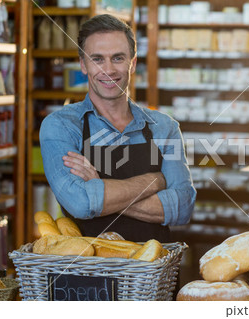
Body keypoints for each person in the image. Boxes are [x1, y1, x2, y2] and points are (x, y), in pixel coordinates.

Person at [39, 14, 196, 242]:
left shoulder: (164, 127)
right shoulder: (61, 126)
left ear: (132, 64)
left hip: (154, 270)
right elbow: (80, 204)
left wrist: (98, 187)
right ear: (83, 64)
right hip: (86, 270)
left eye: (118, 58)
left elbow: (182, 208)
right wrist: (155, 181)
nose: (108, 70)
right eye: (97, 59)